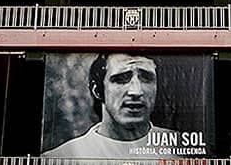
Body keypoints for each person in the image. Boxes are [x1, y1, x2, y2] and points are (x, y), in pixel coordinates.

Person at [43, 53, 178, 159]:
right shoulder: (60, 159)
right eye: (121, 79)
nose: (136, 91)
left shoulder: (181, 147)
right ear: (98, 91)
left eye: (146, 78)